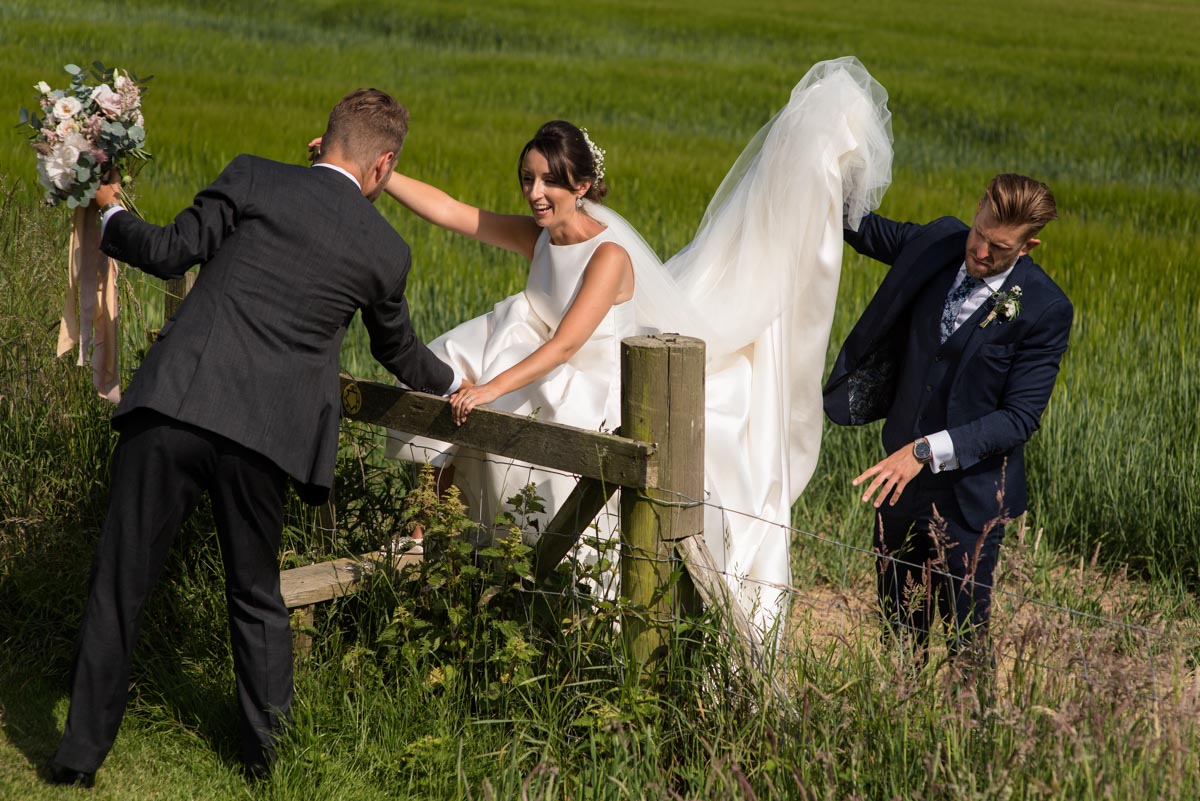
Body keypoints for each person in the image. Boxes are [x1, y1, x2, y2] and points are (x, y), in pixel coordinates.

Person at [385, 57, 894, 635]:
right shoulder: (540, 236)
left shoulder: (607, 257)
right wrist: (377, 176)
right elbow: (456, 212)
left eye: (550, 180)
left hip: (589, 375)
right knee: (455, 367)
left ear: (581, 185)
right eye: (527, 179)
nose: (535, 192)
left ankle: (573, 604)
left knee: (518, 422)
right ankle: (420, 537)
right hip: (540, 357)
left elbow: (566, 345)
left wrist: (487, 390)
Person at [48, 89, 459, 788]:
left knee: (121, 581)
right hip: (267, 436)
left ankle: (77, 759)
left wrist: (109, 208)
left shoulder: (252, 175)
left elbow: (172, 251)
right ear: (383, 165)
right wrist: (462, 385)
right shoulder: (385, 249)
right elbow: (402, 353)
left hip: (178, 402)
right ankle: (273, 762)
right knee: (255, 594)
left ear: (322, 140)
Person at [823, 174, 1073, 668]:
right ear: (978, 206)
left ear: (1029, 246)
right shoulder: (937, 243)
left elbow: (1018, 419)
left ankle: (963, 737)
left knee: (966, 646)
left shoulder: (1045, 308)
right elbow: (860, 228)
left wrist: (923, 452)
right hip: (897, 490)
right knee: (897, 634)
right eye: (979, 233)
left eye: (999, 248)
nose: (980, 251)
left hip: (970, 501)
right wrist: (824, 163)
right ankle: (899, 732)